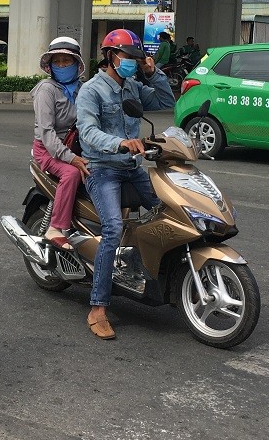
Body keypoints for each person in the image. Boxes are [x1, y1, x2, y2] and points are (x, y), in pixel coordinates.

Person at [76, 29, 175, 340]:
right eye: (128, 57)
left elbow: (165, 100)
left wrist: (152, 71)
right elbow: (88, 132)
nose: (132, 62)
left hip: (132, 168)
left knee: (169, 208)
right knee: (113, 229)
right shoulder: (91, 91)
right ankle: (97, 307)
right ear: (111, 57)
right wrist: (120, 143)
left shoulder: (133, 86)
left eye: (136, 58)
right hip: (103, 169)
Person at [31, 36, 88, 250]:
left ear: (77, 64)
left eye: (67, 61)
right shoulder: (46, 89)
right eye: (58, 61)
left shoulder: (84, 90)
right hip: (49, 150)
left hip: (77, 147)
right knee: (72, 173)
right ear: (51, 66)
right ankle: (56, 227)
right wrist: (71, 159)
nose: (62, 65)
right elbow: (46, 132)